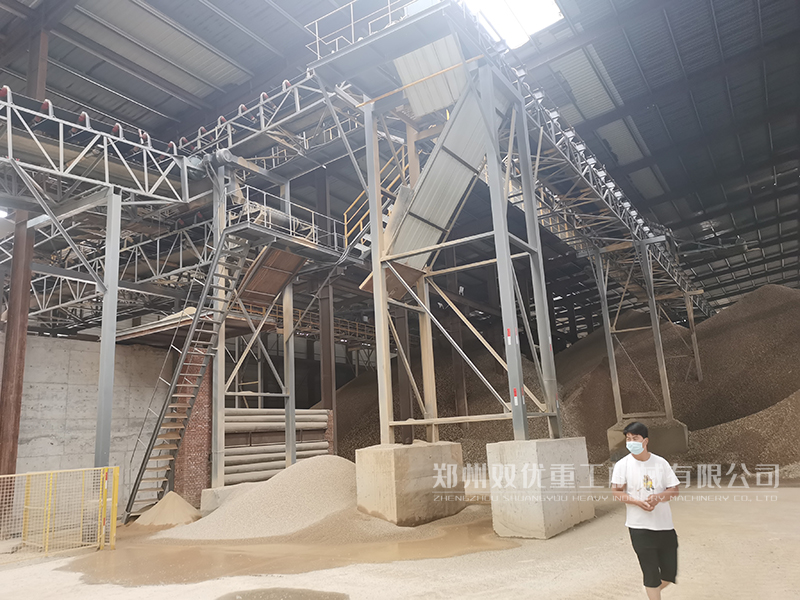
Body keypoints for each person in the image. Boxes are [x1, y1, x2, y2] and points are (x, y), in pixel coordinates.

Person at [611, 422, 680, 599]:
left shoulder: (660, 463)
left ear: (645, 441)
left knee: (669, 574)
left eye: (635, 438)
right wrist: (636, 502)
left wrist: (658, 497)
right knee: (650, 573)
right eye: (628, 439)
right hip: (639, 527)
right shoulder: (622, 465)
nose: (631, 442)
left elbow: (674, 490)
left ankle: (651, 590)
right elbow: (616, 492)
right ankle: (652, 590)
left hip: (664, 525)